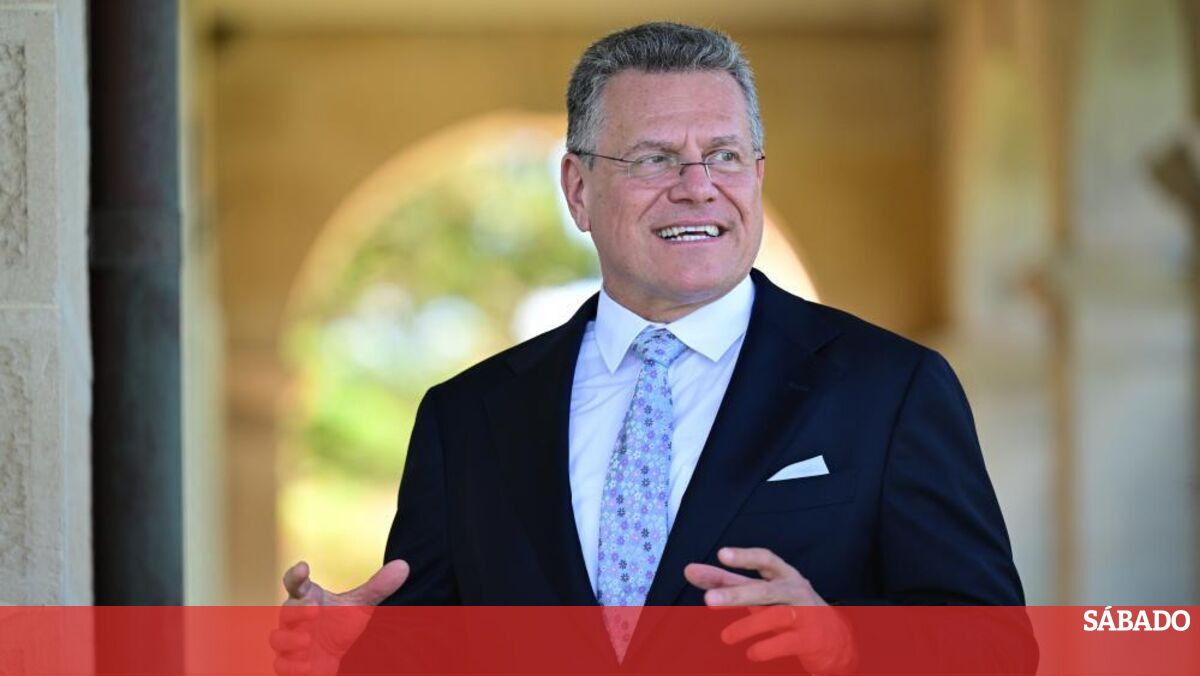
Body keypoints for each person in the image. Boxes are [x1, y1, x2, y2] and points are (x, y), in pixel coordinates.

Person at [272, 21, 1027, 675]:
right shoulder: (466, 418)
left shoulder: (889, 389)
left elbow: (997, 648)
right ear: (578, 190)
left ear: (757, 175)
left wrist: (845, 641)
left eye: (724, 156)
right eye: (654, 159)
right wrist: (352, 657)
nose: (698, 186)